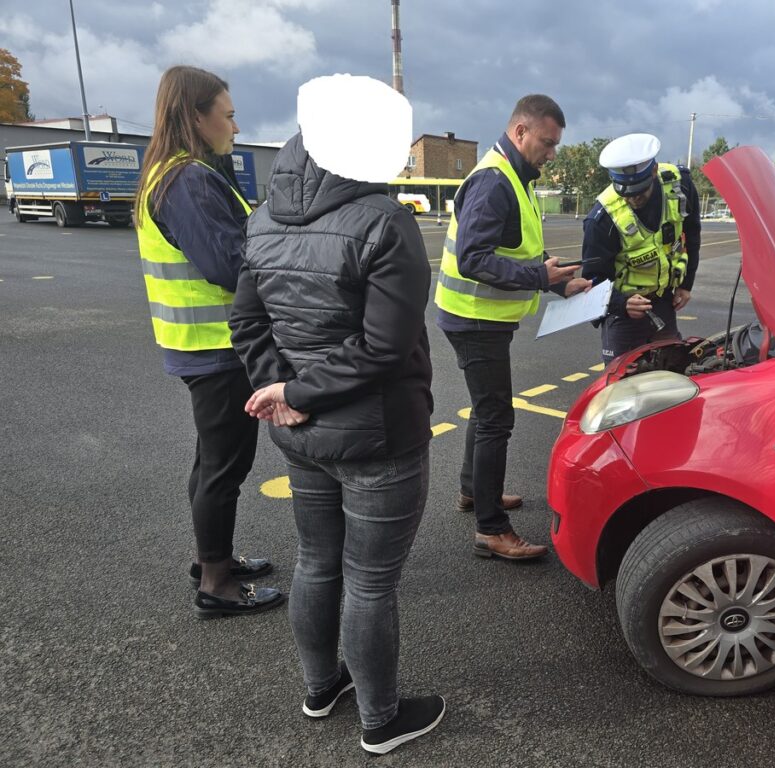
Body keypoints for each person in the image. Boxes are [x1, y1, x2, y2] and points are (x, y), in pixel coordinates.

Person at [229, 73, 443, 755]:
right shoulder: (385, 222)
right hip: (376, 436)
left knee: (318, 562)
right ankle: (381, 720)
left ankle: (322, 686)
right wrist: (294, 394)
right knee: (370, 582)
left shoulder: (260, 220)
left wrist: (281, 393)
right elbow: (384, 345)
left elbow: (247, 324)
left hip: (301, 436)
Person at [134, 65, 282, 619]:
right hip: (219, 348)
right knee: (225, 466)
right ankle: (217, 585)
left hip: (203, 345)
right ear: (196, 116)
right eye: (229, 114)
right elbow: (228, 263)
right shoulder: (189, 180)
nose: (236, 127)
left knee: (211, 461)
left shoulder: (175, 173)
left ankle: (210, 558)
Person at [434, 94, 590, 561]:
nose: (551, 153)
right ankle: (490, 528)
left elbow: (514, 250)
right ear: (520, 132)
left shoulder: (513, 176)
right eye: (546, 142)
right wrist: (540, 277)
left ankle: (473, 492)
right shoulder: (494, 182)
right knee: (497, 418)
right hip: (473, 319)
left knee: (486, 413)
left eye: (556, 144)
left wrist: (556, 284)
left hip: (481, 318)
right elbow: (475, 259)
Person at [582, 133, 701, 362]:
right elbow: (592, 281)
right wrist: (621, 303)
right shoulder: (602, 219)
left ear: (654, 171)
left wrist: (686, 285)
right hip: (623, 314)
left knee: (672, 376)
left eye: (638, 193)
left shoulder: (680, 185)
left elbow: (692, 234)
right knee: (622, 388)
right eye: (625, 194)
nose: (632, 200)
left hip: (664, 302)